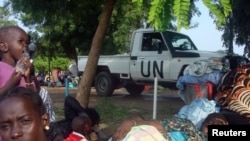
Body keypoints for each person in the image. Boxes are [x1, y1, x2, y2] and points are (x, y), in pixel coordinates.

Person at [0, 25, 56, 122]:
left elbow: (34, 100)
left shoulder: (22, 71)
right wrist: (11, 84)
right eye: (20, 41)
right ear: (4, 47)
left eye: (26, 43)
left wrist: (28, 78)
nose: (25, 46)